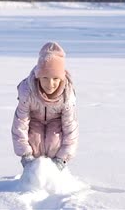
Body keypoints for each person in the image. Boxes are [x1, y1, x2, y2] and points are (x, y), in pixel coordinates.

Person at [11, 41, 79, 171]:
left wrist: (62, 157)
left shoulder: (67, 96)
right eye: (45, 78)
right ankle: (34, 172)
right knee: (35, 141)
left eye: (55, 78)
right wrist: (25, 153)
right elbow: (20, 123)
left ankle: (54, 172)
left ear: (61, 78)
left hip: (56, 123)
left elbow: (71, 129)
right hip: (35, 122)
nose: (50, 83)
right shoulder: (28, 92)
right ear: (38, 77)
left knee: (54, 143)